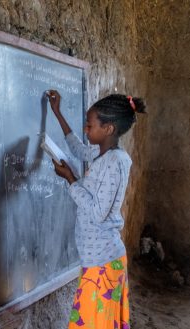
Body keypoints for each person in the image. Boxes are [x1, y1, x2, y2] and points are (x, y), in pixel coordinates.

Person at [46, 90, 146, 329]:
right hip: (96, 258)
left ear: (109, 129)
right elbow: (79, 150)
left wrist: (71, 179)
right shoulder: (102, 153)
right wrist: (57, 113)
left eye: (90, 126)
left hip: (103, 261)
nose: (86, 130)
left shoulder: (115, 162)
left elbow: (98, 212)